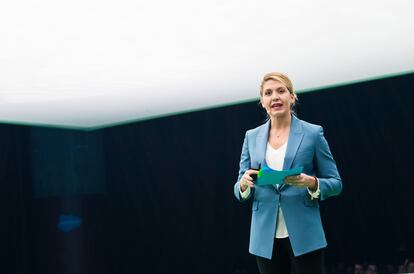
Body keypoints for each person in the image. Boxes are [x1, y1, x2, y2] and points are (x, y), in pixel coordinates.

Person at [233, 72, 342, 274]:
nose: (275, 96)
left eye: (281, 91)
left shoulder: (313, 133)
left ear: (292, 97)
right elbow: (239, 188)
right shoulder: (251, 137)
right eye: (268, 93)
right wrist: (244, 184)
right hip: (264, 237)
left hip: (305, 234)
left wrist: (311, 182)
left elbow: (335, 183)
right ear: (262, 101)